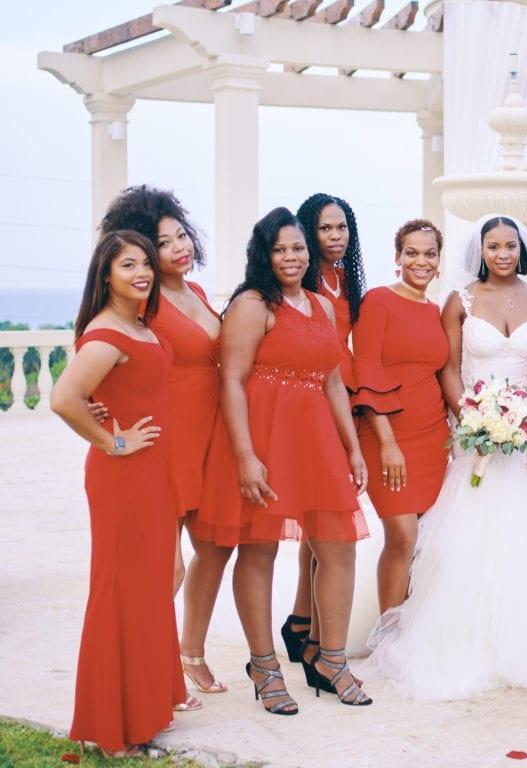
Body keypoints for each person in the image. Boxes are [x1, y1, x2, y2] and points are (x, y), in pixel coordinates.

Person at [364, 215, 527, 700]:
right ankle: (451, 639)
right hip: (475, 435)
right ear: (481, 251)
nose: (502, 254)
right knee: (465, 541)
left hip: (525, 435)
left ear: (522, 249)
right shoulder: (461, 300)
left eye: (510, 245)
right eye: (493, 246)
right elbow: (449, 369)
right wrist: (470, 418)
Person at [193, 207, 371, 711]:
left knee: (339, 546)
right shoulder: (252, 304)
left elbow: (334, 381)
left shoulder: (320, 304)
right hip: (264, 439)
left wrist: (352, 448)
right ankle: (265, 665)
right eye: (279, 249)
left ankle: (330, 659)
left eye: (297, 248)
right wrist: (246, 457)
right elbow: (231, 380)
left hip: (315, 439)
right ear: (263, 254)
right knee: (260, 549)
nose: (290, 257)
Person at [51, 230, 192, 757]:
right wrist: (113, 440)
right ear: (104, 274)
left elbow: (110, 392)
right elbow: (64, 397)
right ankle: (114, 728)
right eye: (127, 264)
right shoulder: (107, 332)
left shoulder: (136, 323)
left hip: (154, 472)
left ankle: (147, 705)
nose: (141, 272)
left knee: (154, 583)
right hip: (124, 477)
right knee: (122, 592)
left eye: (145, 264)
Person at [99, 186, 231, 695]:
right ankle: (146, 672)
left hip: (211, 432)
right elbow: (98, 340)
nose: (179, 246)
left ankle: (189, 652)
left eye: (182, 235)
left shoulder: (195, 293)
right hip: (168, 435)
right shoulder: (140, 297)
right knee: (164, 565)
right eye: (163, 241)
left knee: (217, 545)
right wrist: (107, 421)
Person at [281, 194, 368, 671]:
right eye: (325, 229)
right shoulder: (302, 279)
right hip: (314, 397)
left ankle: (303, 621)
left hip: (345, 395)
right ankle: (305, 626)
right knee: (321, 521)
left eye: (342, 228)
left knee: (322, 524)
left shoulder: (344, 278)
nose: (335, 237)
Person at [352, 219, 450, 613]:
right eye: (412, 252)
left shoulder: (435, 310)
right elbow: (367, 370)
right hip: (386, 434)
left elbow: (441, 373)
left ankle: (413, 630)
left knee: (425, 539)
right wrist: (388, 443)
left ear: (439, 261)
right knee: (402, 535)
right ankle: (388, 633)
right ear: (397, 257)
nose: (421, 261)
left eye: (430, 254)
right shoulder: (377, 301)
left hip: (432, 436)